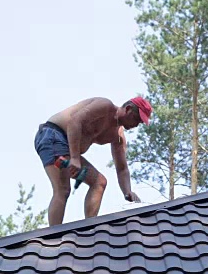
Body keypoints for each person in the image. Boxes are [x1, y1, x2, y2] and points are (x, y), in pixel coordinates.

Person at [34, 96, 152, 226]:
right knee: (62, 189)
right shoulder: (105, 107)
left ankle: (90, 230)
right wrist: (74, 158)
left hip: (66, 149)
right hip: (52, 135)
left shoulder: (117, 136)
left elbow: (122, 168)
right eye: (137, 119)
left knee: (99, 182)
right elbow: (74, 121)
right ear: (128, 109)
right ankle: (53, 238)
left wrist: (127, 191)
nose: (136, 124)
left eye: (140, 123)